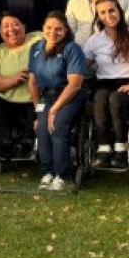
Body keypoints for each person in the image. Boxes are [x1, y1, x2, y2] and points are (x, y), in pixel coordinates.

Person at [83, 0, 129, 169]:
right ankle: (103, 148)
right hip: (105, 83)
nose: (108, 15)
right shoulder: (95, 40)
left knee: (116, 98)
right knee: (100, 98)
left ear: (120, 12)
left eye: (111, 10)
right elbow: (82, 66)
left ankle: (121, 149)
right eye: (103, 12)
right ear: (98, 17)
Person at [28, 12, 87, 193]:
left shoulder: (72, 49)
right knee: (43, 129)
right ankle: (47, 172)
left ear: (65, 30)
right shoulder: (36, 48)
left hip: (69, 95)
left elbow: (75, 83)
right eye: (49, 28)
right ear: (43, 29)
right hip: (47, 97)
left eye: (58, 29)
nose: (53, 32)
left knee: (58, 126)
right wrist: (39, 110)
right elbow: (32, 81)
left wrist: (54, 110)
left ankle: (63, 175)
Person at [0, 14, 40, 158]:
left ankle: (27, 143)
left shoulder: (38, 39)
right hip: (5, 101)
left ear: (24, 26)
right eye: (5, 26)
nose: (11, 29)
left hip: (34, 98)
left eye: (15, 24)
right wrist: (12, 80)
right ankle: (4, 141)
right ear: (0, 31)